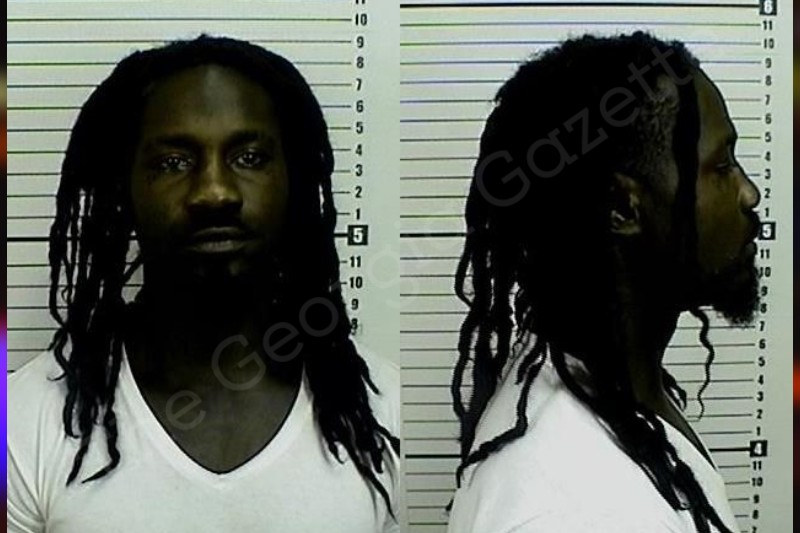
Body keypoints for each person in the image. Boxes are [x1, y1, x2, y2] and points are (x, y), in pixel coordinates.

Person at [7, 36, 400, 533]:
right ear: (124, 189)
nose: (215, 192)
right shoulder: (24, 419)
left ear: (294, 184)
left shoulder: (381, 409)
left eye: (249, 157)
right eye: (173, 162)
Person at [447, 32, 760, 533]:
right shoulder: (576, 511)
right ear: (622, 207)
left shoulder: (614, 387)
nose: (749, 193)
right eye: (720, 167)